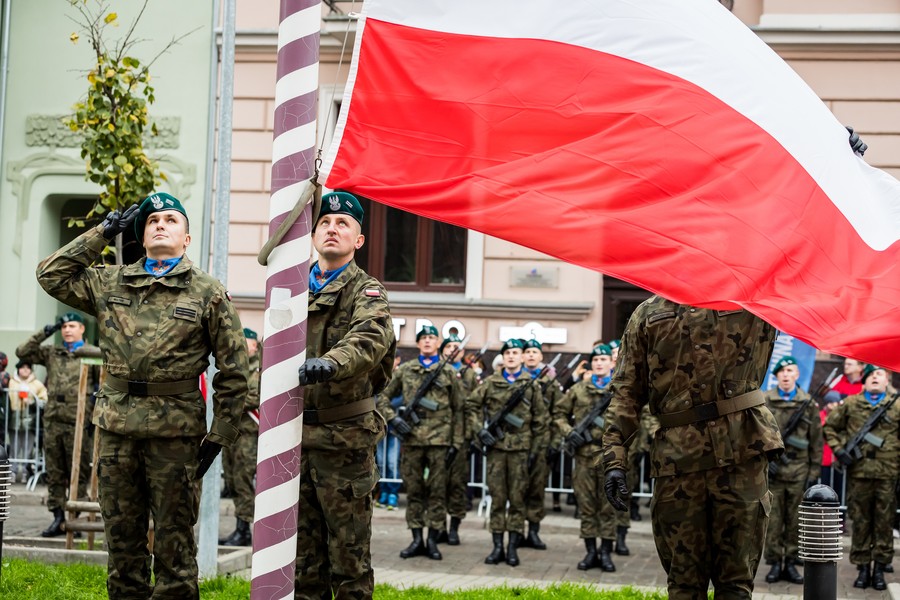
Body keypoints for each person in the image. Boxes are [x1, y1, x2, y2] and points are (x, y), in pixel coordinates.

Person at [35, 192, 249, 599]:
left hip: (176, 436)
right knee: (122, 545)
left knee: (174, 547)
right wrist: (101, 233)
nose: (160, 225)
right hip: (116, 430)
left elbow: (234, 370)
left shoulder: (207, 292)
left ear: (186, 238)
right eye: (152, 221)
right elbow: (51, 274)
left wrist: (220, 434)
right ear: (142, 235)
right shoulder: (110, 280)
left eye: (171, 219)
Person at [601, 297, 783, 599]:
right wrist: (615, 459)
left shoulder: (753, 299)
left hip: (741, 453)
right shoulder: (648, 314)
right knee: (684, 585)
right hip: (678, 464)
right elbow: (626, 393)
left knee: (736, 585)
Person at [295, 190, 395, 598]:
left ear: (359, 241)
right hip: (296, 440)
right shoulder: (292, 287)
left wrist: (331, 362)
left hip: (344, 441)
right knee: (303, 560)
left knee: (348, 559)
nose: (332, 229)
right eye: (325, 223)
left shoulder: (367, 292)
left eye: (343, 224)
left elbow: (370, 337)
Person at [376, 325, 463, 561]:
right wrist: (393, 420)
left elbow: (459, 410)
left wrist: (456, 442)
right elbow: (382, 396)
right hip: (412, 441)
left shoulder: (447, 373)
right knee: (414, 491)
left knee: (436, 493)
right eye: (423, 338)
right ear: (418, 344)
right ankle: (416, 539)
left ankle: (433, 541)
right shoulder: (405, 370)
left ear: (438, 344)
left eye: (432, 338)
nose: (427, 341)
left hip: (439, 441)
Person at [466, 338, 549, 567]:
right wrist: (479, 432)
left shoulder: (530, 385)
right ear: (503, 357)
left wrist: (536, 450)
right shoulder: (491, 382)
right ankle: (497, 547)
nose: (511, 356)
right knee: (498, 499)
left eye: (515, 352)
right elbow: (471, 405)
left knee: (518, 499)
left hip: (521, 451)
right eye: (508, 353)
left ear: (522, 357)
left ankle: (512, 547)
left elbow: (541, 421)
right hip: (496, 450)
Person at [16, 311, 99, 538]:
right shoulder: (53, 352)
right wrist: (46, 332)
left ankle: (75, 517)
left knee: (78, 471)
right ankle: (58, 517)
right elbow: (22, 352)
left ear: (82, 329)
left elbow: (101, 385)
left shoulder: (92, 354)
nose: (68, 330)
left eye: (72, 326)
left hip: (78, 421)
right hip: (53, 420)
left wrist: (92, 413)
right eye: (64, 327)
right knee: (54, 472)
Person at [824, 365, 899, 591]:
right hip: (860, 474)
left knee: (884, 523)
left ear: (887, 380)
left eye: (879, 375)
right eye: (870, 375)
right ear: (863, 381)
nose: (874, 378)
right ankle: (863, 567)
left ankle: (879, 570)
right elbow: (830, 427)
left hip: (888, 473)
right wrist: (839, 450)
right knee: (860, 521)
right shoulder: (851, 404)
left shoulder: (896, 406)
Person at [553, 343, 619, 572]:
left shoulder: (620, 389)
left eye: (603, 360)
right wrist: (569, 432)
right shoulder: (578, 389)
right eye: (595, 360)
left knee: (609, 505)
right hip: (584, 456)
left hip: (611, 456)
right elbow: (559, 414)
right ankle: (591, 551)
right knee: (587, 506)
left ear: (612, 363)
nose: (599, 363)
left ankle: (606, 552)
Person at [762, 355, 823, 585]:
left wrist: (813, 473)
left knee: (796, 521)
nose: (786, 375)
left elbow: (816, 441)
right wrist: (766, 460)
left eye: (790, 371)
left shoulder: (807, 404)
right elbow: (757, 436)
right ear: (776, 376)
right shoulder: (765, 401)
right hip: (773, 472)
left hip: (798, 472)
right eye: (782, 371)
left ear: (797, 375)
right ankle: (776, 562)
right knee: (774, 521)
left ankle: (791, 562)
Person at [220, 327, 262, 547]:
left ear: (255, 345)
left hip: (249, 432)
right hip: (233, 430)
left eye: (249, 343)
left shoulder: (260, 370)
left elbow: (255, 397)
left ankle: (244, 528)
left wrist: (232, 403)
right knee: (232, 479)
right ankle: (239, 528)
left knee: (243, 478)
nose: (246, 347)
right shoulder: (238, 368)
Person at [519, 338, 560, 551]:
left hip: (541, 445)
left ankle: (533, 531)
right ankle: (516, 531)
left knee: (536, 489)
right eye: (528, 352)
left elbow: (558, 414)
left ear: (541, 357)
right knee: (517, 490)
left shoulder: (550, 384)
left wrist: (553, 443)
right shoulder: (516, 380)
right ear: (522, 356)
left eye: (535, 352)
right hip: (518, 444)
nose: (532, 355)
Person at [444, 333, 479, 544]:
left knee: (458, 485)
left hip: (461, 437)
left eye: (457, 347)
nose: (452, 350)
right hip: (435, 436)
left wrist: (474, 433)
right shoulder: (435, 373)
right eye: (449, 347)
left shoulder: (469, 376)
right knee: (437, 485)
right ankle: (437, 527)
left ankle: (454, 527)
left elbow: (475, 406)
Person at [7, 359, 48, 482]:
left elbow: (44, 399)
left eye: (28, 367)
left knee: (28, 447)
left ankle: (25, 472)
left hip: (30, 420)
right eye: (22, 367)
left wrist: (32, 402)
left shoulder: (37, 384)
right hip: (14, 418)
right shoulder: (11, 382)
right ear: (18, 369)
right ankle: (12, 472)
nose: (25, 370)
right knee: (14, 446)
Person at [375, 355, 403, 511]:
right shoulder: (380, 374)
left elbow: (403, 397)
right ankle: (383, 491)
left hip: (394, 426)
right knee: (381, 461)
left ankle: (393, 493)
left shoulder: (401, 375)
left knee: (392, 462)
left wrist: (385, 405)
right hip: (380, 426)